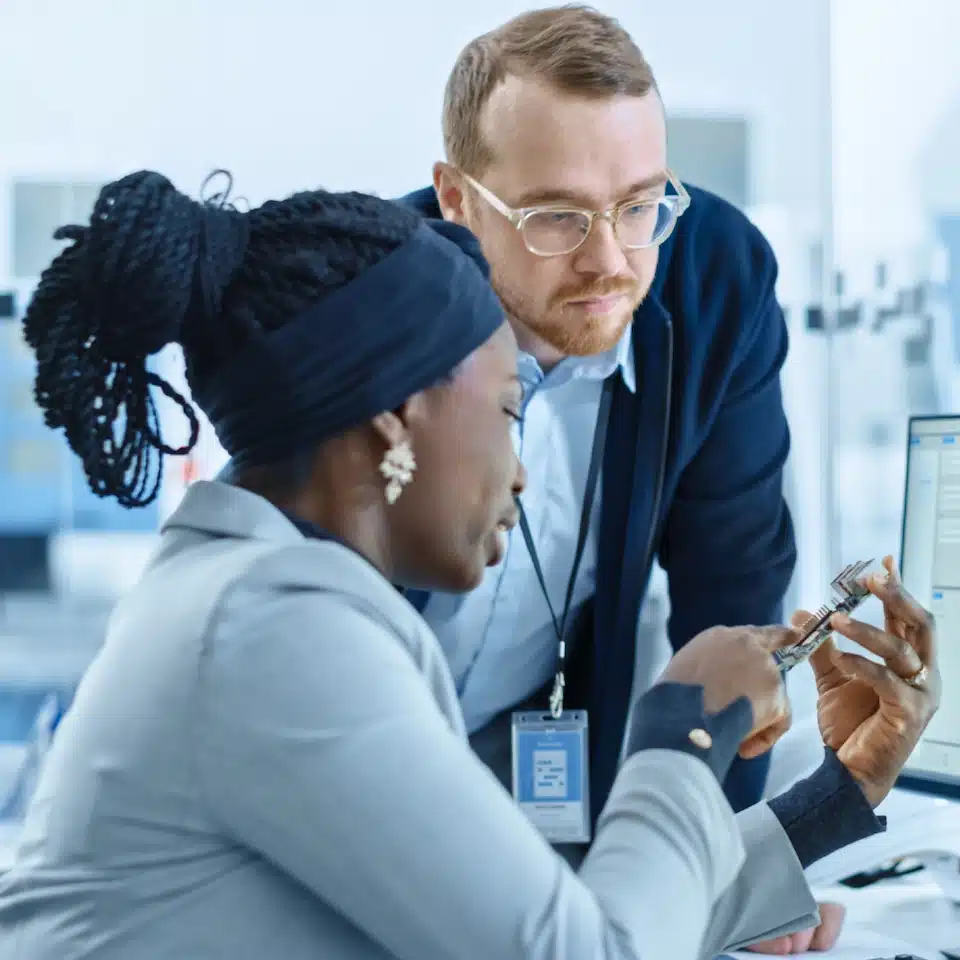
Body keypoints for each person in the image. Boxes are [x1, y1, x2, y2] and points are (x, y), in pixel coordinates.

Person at [0, 171, 938, 960]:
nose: (523, 472)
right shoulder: (272, 633)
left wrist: (835, 796)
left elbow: (550, 919)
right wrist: (682, 730)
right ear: (394, 422)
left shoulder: (272, 603)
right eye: (504, 413)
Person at [397, 5, 833, 950]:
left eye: (641, 204)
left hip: (546, 763)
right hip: (362, 750)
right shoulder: (366, 300)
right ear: (457, 199)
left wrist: (728, 870)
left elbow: (734, 595)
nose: (609, 260)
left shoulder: (712, 276)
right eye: (556, 215)